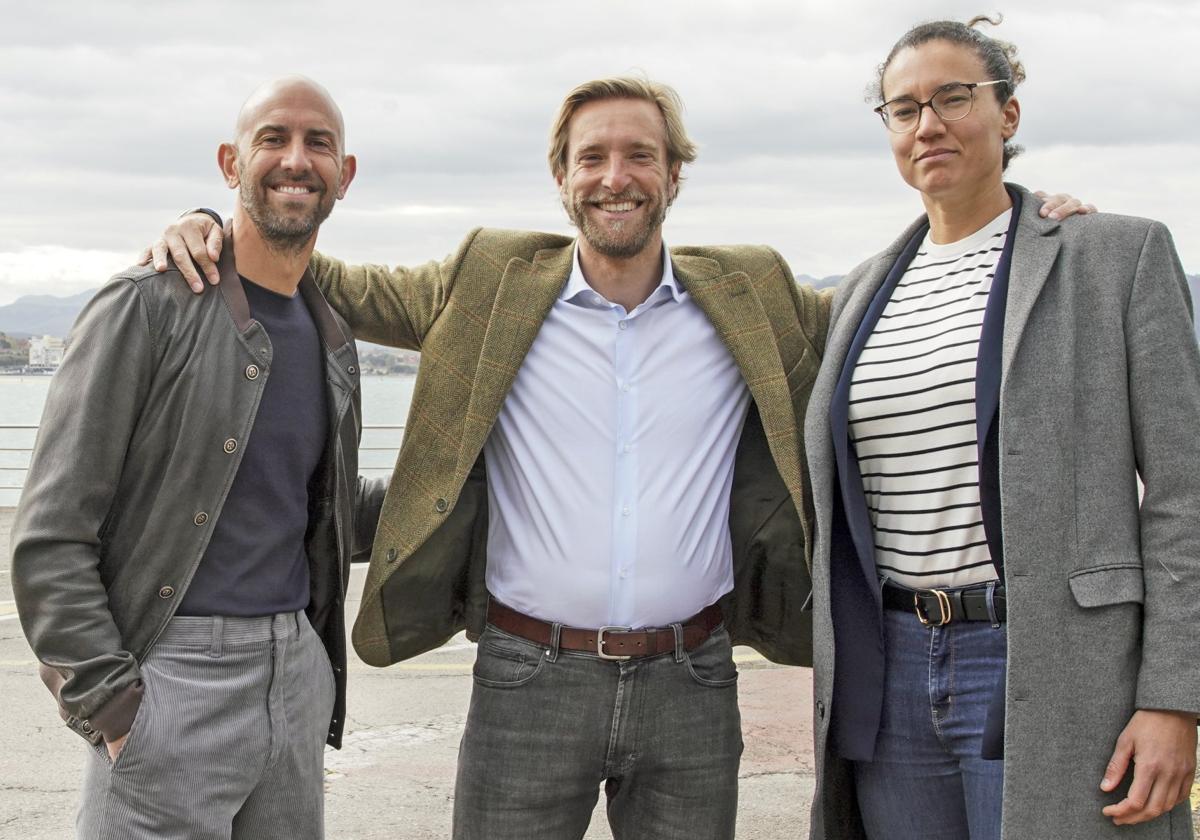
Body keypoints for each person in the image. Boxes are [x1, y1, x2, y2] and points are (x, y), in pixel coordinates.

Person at [149, 75, 1088, 840]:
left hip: (693, 680)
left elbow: (887, 303)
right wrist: (209, 220)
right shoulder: (489, 277)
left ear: (674, 175)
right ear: (561, 178)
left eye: (641, 155)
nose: (616, 176)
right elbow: (321, 273)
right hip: (526, 678)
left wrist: (1023, 223)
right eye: (591, 157)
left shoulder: (751, 291)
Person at [803, 17, 1199, 840]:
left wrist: (1174, 698)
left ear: (1008, 114)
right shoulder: (859, 297)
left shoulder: (1113, 257)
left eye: (955, 98)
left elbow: (1184, 493)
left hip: (1048, 659)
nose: (929, 124)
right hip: (892, 667)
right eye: (904, 109)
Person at [11, 76, 384, 840]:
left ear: (345, 174)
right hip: (171, 675)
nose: (295, 159)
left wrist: (484, 469)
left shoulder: (333, 337)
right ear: (229, 162)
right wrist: (115, 708)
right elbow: (50, 535)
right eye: (272, 138)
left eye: (319, 143)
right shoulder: (146, 306)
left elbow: (325, 515)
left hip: (295, 674)